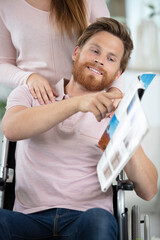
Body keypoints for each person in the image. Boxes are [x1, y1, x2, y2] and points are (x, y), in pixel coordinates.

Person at [1, 17, 158, 240]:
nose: (100, 60)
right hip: (27, 219)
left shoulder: (117, 113)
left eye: (110, 58)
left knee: (99, 220)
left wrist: (124, 129)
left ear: (118, 74)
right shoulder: (31, 93)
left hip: (86, 219)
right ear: (76, 53)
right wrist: (76, 104)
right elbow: (11, 128)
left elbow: (149, 190)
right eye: (95, 51)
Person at [0, 0, 123, 106]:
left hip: (86, 104)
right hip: (35, 102)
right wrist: (28, 78)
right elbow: (2, 63)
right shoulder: (6, 5)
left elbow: (114, 47)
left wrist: (115, 89)